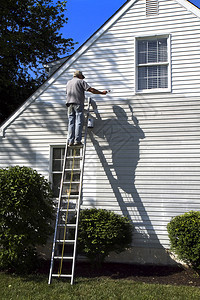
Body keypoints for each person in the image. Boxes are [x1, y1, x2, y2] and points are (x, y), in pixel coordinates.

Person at [66, 70, 107, 146]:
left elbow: (67, 93)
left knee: (71, 122)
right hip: (78, 103)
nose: (83, 78)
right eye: (82, 77)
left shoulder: (68, 83)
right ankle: (77, 140)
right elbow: (91, 90)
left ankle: (70, 141)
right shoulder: (80, 81)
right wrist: (101, 92)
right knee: (79, 121)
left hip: (69, 104)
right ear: (80, 76)